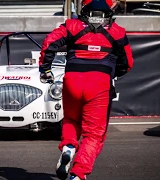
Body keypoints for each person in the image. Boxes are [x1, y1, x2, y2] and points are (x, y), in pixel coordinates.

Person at [38, 0, 134, 179]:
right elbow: (128, 63)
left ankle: (69, 146)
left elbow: (50, 42)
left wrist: (45, 69)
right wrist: (112, 73)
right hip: (99, 84)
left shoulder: (72, 25)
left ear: (84, 10)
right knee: (94, 134)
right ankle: (78, 173)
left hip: (72, 81)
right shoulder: (118, 31)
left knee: (71, 119)